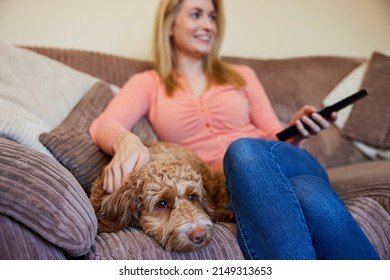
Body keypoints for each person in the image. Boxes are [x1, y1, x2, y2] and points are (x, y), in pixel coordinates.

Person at [89, 0, 380, 259]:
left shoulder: (241, 75)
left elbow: (272, 134)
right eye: (196, 15)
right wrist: (126, 140)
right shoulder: (149, 83)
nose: (208, 25)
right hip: (234, 189)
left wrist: (299, 131)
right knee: (310, 195)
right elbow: (104, 124)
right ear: (170, 24)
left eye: (212, 17)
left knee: (242, 149)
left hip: (281, 160)